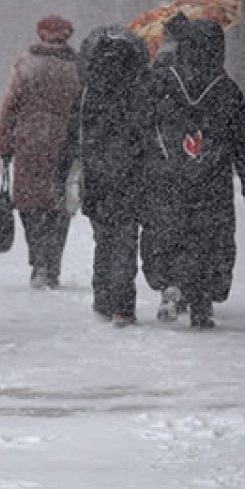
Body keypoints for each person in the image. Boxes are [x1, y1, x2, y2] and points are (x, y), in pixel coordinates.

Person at [135, 16, 245, 329]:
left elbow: (141, 126)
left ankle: (170, 284)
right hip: (212, 180)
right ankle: (203, 297)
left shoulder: (163, 82)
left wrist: (141, 164)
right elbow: (244, 139)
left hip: (166, 177)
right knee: (210, 239)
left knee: (167, 233)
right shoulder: (226, 90)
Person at [53, 26, 149, 326]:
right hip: (131, 176)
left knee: (104, 239)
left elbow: (72, 138)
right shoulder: (138, 91)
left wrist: (61, 178)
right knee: (125, 241)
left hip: (96, 176)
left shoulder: (87, 94)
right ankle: (123, 305)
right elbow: (147, 134)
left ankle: (103, 299)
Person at [0, 15, 81, 289]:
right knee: (60, 206)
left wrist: (4, 139)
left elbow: (10, 106)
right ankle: (52, 263)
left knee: (31, 206)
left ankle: (38, 261)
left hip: (29, 144)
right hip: (65, 145)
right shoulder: (79, 67)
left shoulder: (25, 65)